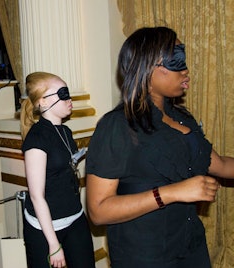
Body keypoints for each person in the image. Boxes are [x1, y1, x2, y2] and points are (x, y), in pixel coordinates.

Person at [85, 26, 234, 268]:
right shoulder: (118, 126)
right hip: (146, 255)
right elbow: (99, 211)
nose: (186, 70)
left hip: (190, 246)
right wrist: (173, 192)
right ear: (147, 67)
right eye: (176, 60)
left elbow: (222, 165)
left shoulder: (182, 118)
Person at [20, 72, 95, 268]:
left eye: (68, 93)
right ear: (43, 103)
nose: (69, 99)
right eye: (62, 94)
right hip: (45, 226)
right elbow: (37, 196)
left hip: (74, 215)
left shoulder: (65, 131)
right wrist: (54, 245)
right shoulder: (36, 139)